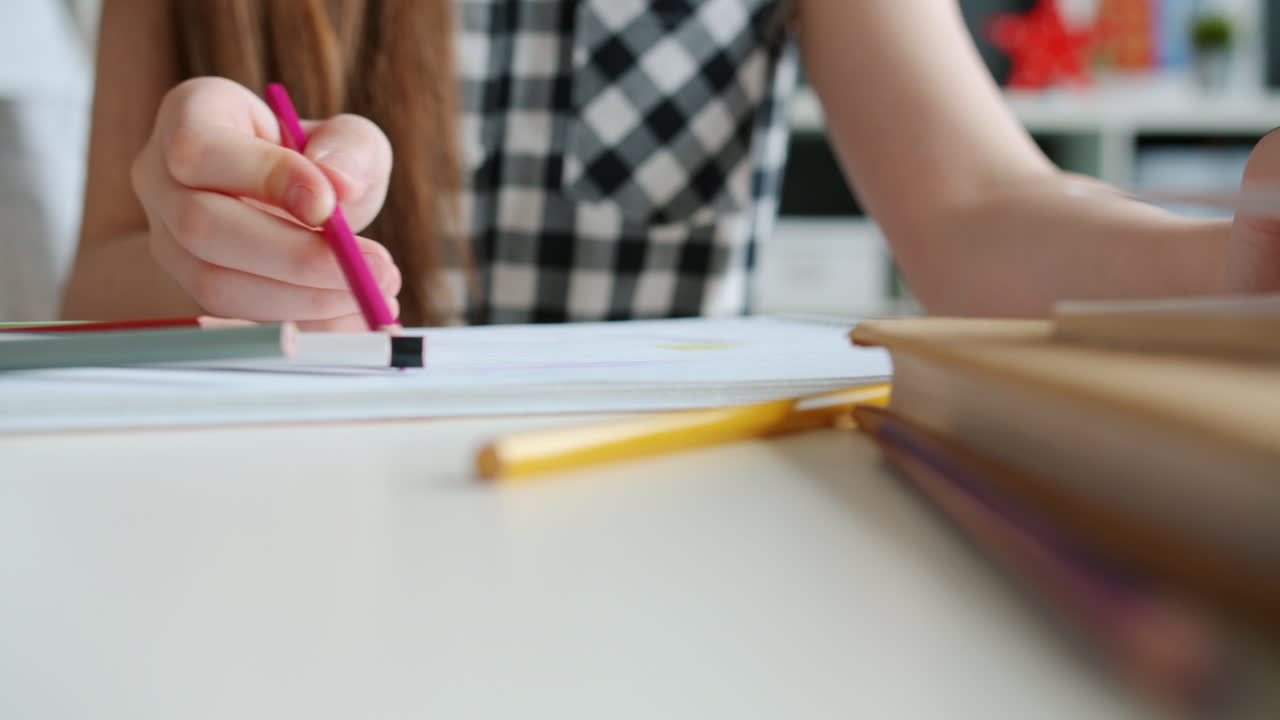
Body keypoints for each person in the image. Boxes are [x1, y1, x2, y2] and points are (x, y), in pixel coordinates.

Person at [61, 1, 1280, 330]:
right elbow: (94, 283)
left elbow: (974, 204)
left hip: (669, 541)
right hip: (287, 533)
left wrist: (1228, 268)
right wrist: (206, 253)